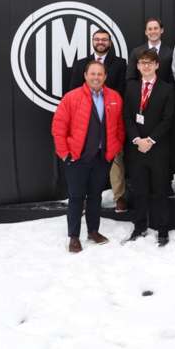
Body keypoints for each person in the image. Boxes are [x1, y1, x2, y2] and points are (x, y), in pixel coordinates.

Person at [52, 60, 124, 253]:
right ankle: (74, 237)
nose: (96, 77)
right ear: (85, 75)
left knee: (95, 196)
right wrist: (65, 154)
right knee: (76, 198)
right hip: (77, 158)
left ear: (105, 76)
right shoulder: (71, 98)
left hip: (102, 158)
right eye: (92, 74)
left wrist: (113, 149)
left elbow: (119, 127)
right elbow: (58, 127)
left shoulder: (114, 97)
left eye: (100, 74)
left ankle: (93, 231)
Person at [69, 28, 128, 212]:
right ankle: (85, 198)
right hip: (86, 120)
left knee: (116, 158)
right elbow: (72, 91)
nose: (101, 42)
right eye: (97, 39)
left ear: (110, 42)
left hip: (110, 117)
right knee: (87, 160)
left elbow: (122, 90)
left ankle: (119, 196)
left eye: (104, 39)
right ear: (92, 41)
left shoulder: (120, 63)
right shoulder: (81, 64)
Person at [123, 49, 175, 245]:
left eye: (150, 63)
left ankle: (163, 229)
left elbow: (168, 119)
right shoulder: (131, 87)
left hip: (158, 149)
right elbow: (127, 117)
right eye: (143, 62)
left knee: (160, 191)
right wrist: (137, 140)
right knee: (139, 190)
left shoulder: (167, 89)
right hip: (137, 149)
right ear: (137, 66)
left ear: (157, 65)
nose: (146, 66)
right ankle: (139, 226)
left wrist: (150, 140)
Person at [126, 17, 173, 84]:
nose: (153, 32)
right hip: (141, 90)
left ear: (162, 30)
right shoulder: (136, 52)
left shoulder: (170, 53)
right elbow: (130, 78)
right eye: (150, 29)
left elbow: (172, 80)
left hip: (164, 90)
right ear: (146, 32)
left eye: (156, 28)